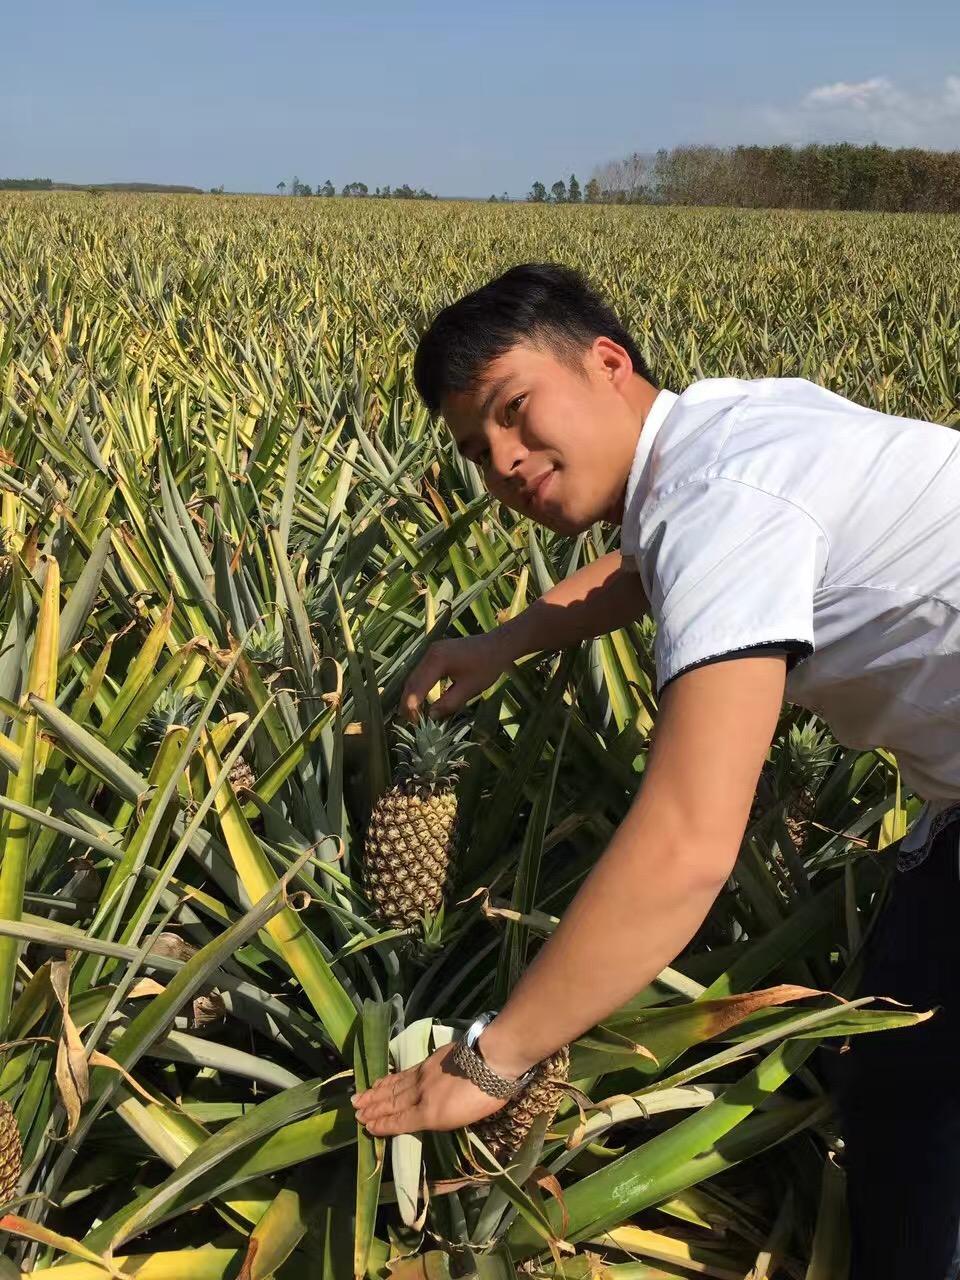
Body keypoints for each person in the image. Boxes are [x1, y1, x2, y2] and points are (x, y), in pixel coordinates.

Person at [349, 262, 960, 1278]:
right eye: (476, 449)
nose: (502, 460)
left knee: (921, 1098)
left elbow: (686, 842)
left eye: (515, 410)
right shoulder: (724, 426)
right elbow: (646, 563)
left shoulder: (723, 503)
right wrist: (511, 637)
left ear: (605, 362)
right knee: (904, 1071)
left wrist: (493, 1057)